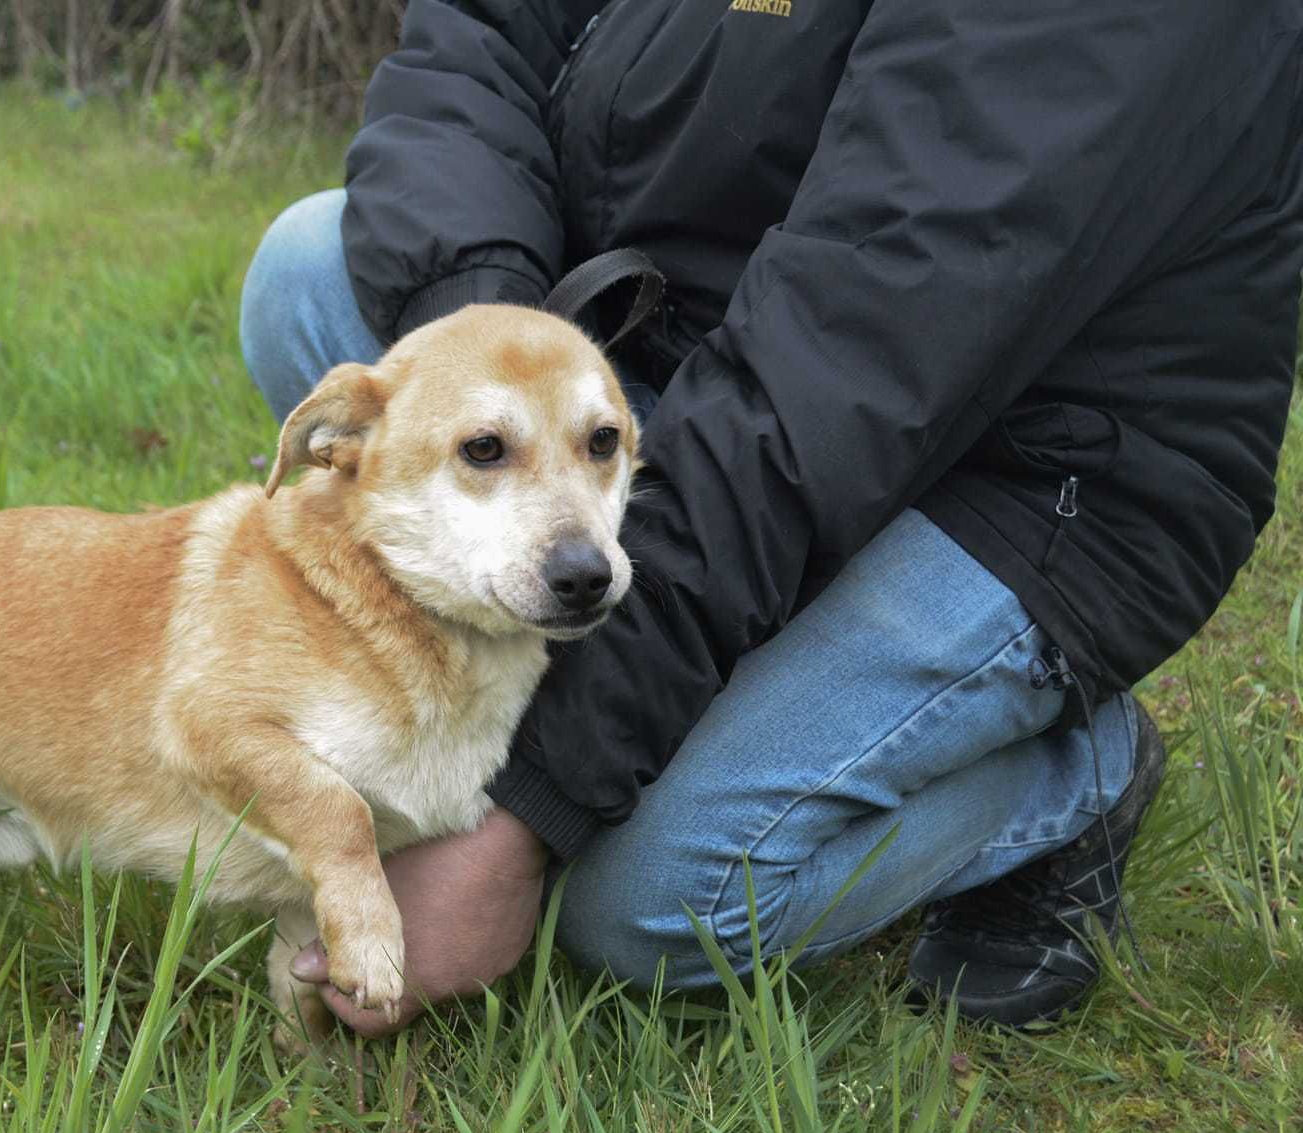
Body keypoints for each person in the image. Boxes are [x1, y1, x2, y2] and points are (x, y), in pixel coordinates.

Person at [238, 0, 1303, 1036]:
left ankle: (1076, 780)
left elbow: (852, 353)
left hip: (1021, 472)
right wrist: (484, 354)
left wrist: (525, 813)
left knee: (651, 901)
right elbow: (478, 40)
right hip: (711, 355)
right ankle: (658, 666)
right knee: (306, 272)